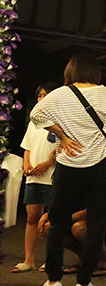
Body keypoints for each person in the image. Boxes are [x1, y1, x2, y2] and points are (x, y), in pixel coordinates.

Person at [31, 52, 106, 286]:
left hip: (68, 165)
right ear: (96, 71)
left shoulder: (60, 94)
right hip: (100, 166)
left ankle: (53, 281)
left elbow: (36, 115)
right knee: (96, 224)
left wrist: (63, 136)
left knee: (57, 222)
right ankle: (84, 284)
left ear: (70, 72)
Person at [13, 84, 59, 273]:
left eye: (46, 95)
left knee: (53, 219)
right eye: (39, 95)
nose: (42, 99)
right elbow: (27, 148)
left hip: (52, 177)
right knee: (32, 217)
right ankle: (28, 260)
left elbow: (64, 148)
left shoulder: (61, 119)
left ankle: (52, 260)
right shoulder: (34, 121)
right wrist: (26, 165)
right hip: (33, 178)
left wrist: (46, 164)